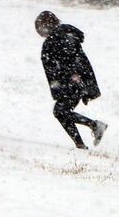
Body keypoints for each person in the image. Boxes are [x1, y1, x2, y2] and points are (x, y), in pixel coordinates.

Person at [35, 11, 107, 149]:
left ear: (46, 25)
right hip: (73, 82)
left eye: (39, 27)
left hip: (73, 82)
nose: (39, 31)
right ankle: (82, 142)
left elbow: (70, 60)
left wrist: (72, 75)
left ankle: (94, 127)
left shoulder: (58, 38)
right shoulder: (63, 36)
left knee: (60, 111)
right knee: (61, 111)